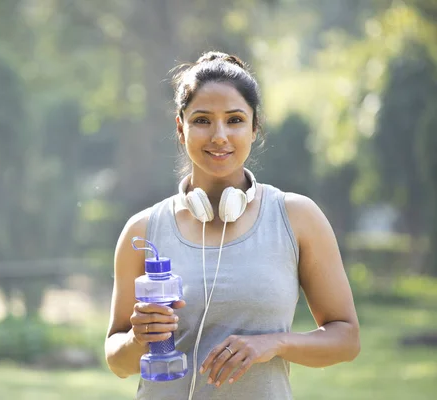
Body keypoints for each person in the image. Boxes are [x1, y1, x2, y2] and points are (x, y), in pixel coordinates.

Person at [104, 51, 360, 400]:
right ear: (181, 129)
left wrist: (274, 344)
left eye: (235, 120)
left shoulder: (297, 218)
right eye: (202, 120)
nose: (219, 135)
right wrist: (138, 339)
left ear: (255, 128)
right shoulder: (143, 231)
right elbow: (118, 362)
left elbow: (346, 339)